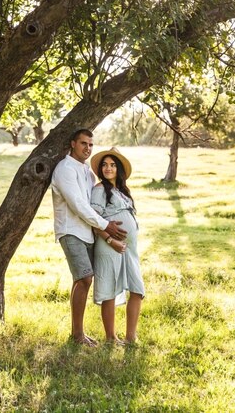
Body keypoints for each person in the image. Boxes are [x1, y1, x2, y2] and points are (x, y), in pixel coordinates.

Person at [51, 129, 127, 346]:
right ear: (73, 143)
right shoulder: (65, 169)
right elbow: (77, 205)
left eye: (91, 145)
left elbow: (94, 204)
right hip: (70, 230)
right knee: (85, 278)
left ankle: (79, 333)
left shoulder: (87, 172)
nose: (88, 148)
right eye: (83, 143)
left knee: (82, 279)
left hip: (88, 231)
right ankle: (77, 335)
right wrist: (106, 226)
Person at [90, 147, 144, 344]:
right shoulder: (99, 190)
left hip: (129, 249)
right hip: (109, 246)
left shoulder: (122, 191)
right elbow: (93, 220)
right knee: (109, 291)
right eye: (104, 165)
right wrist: (110, 240)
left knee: (137, 290)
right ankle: (111, 338)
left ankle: (131, 337)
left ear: (119, 168)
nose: (108, 168)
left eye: (112, 165)